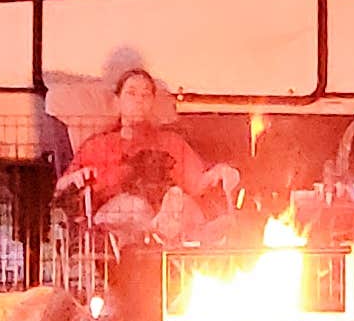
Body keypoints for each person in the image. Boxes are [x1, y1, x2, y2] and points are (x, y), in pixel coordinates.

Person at [62, 66, 241, 241]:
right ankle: (158, 227)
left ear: (152, 102)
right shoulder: (98, 145)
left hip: (168, 211)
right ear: (117, 101)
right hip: (115, 216)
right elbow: (61, 189)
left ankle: (202, 233)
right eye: (131, 93)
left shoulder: (171, 142)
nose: (139, 99)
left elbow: (198, 182)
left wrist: (220, 172)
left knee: (183, 202)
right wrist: (74, 178)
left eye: (145, 95)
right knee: (136, 207)